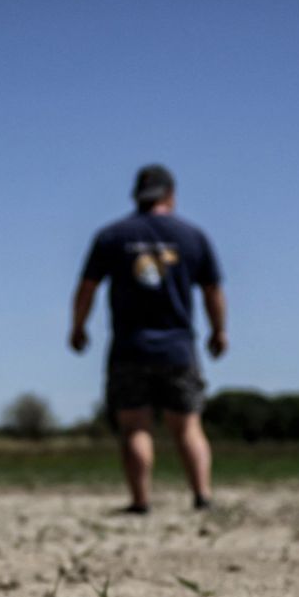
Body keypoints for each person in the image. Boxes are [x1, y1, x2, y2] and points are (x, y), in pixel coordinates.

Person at [70, 163, 227, 513]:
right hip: (178, 347)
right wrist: (219, 331)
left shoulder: (112, 236)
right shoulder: (192, 236)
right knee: (187, 425)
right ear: (170, 195)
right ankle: (202, 496)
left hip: (130, 346)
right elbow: (213, 290)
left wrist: (78, 327)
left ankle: (141, 501)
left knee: (134, 426)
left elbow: (87, 288)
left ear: (137, 196)